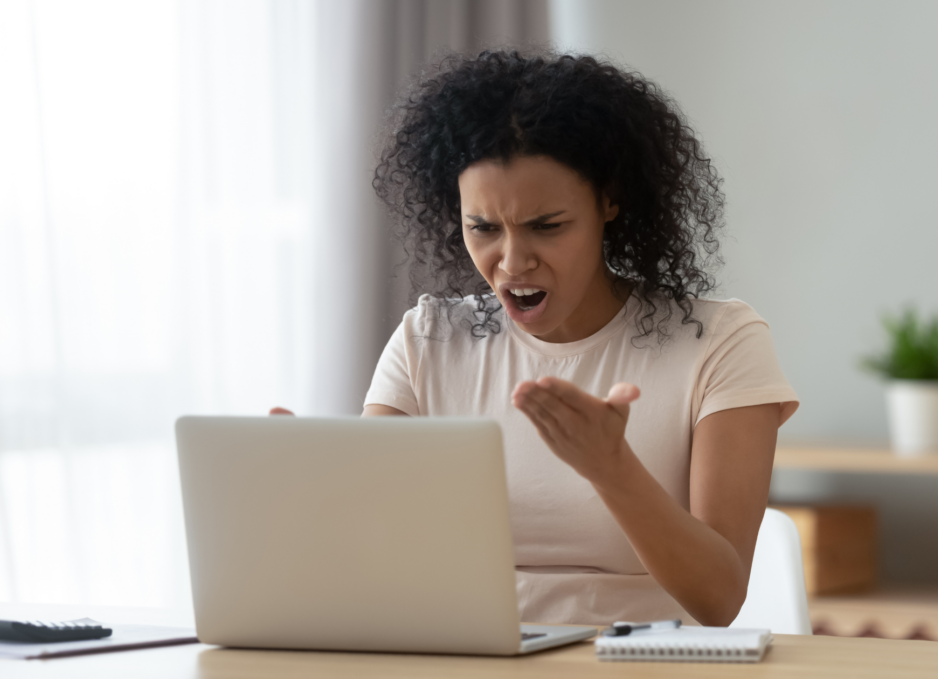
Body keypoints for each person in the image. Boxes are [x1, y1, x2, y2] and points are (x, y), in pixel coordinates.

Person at [282, 50, 798, 627]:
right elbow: (370, 546)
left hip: (645, 661)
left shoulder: (718, 342)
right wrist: (311, 493)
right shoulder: (428, 340)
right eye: (483, 228)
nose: (512, 261)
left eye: (546, 227)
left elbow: (719, 597)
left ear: (610, 201)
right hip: (467, 656)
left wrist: (611, 468)